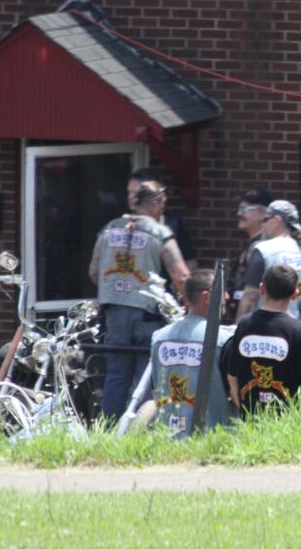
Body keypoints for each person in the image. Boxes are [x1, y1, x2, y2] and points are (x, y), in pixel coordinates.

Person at [89, 174, 191, 419]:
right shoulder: (159, 232)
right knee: (146, 373)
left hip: (113, 311)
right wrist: (187, 302)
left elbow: (94, 271)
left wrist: (116, 288)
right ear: (156, 202)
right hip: (147, 313)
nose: (162, 210)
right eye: (162, 204)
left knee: (116, 374)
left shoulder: (109, 229)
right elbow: (181, 276)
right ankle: (141, 431)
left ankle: (111, 428)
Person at [224, 265, 301, 414]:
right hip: (288, 426)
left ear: (262, 288)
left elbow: (232, 377)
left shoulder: (243, 326)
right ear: (295, 294)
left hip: (250, 422)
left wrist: (244, 409)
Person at [147, 269, 233, 437]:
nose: (228, 297)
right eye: (223, 292)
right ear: (207, 297)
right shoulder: (223, 340)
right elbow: (234, 393)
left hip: (167, 437)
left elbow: (155, 389)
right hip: (213, 439)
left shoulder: (158, 338)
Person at [235, 200, 301, 321]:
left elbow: (251, 296)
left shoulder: (264, 249)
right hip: (300, 329)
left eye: (265, 219)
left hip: (268, 328)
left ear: (276, 221)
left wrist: (238, 330)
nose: (263, 225)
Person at [228, 189, 273, 319]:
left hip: (253, 320)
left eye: (244, 209)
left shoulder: (262, 247)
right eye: (239, 208)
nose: (238, 213)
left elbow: (252, 294)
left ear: (263, 214)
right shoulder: (253, 244)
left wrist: (240, 327)